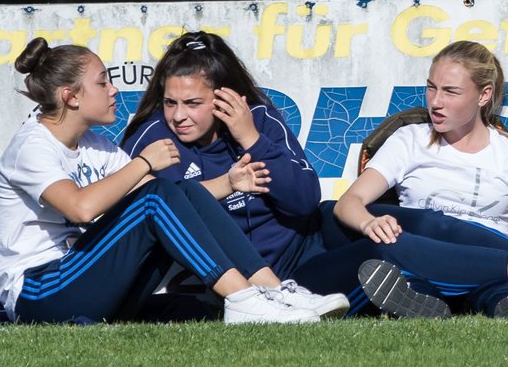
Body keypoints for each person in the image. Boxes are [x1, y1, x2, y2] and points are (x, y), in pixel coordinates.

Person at [0, 38, 326, 324]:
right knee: (156, 195)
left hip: (81, 280)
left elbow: (177, 201)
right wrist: (144, 162)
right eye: (103, 82)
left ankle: (272, 290)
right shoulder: (31, 146)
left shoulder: (95, 145)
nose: (114, 89)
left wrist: (228, 183)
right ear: (71, 96)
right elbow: (80, 208)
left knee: (179, 192)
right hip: (39, 291)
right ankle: (243, 300)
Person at [302, 40, 508, 318]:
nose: (436, 102)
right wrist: (369, 222)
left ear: (484, 95)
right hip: (423, 259)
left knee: (501, 289)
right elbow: (347, 203)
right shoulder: (409, 139)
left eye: (450, 92)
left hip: (490, 266)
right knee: (411, 279)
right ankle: (420, 305)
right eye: (431, 88)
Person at [120, 31, 348, 318]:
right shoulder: (152, 138)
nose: (178, 116)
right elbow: (144, 216)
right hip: (220, 283)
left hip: (293, 269)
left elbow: (303, 201)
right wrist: (225, 184)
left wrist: (251, 138)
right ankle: (267, 299)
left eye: (192, 103)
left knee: (365, 233)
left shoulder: (259, 120)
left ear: (224, 99)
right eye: (169, 102)